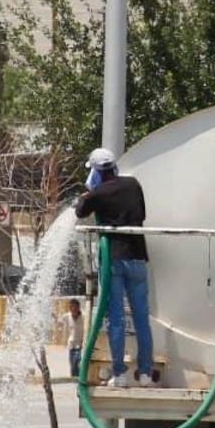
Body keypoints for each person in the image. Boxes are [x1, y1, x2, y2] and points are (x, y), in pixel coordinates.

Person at [75, 147, 154, 388]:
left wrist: (90, 193)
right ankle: (145, 374)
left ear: (96, 172)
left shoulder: (97, 194)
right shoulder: (133, 184)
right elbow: (142, 212)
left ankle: (119, 374)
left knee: (117, 318)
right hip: (138, 258)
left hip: (114, 261)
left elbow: (80, 211)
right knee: (142, 318)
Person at [65, 298, 86, 379]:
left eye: (75, 307)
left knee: (79, 362)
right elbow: (59, 321)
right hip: (71, 345)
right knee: (73, 365)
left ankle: (80, 379)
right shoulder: (67, 316)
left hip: (81, 345)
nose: (73, 309)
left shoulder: (84, 317)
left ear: (78, 307)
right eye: (71, 307)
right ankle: (74, 381)